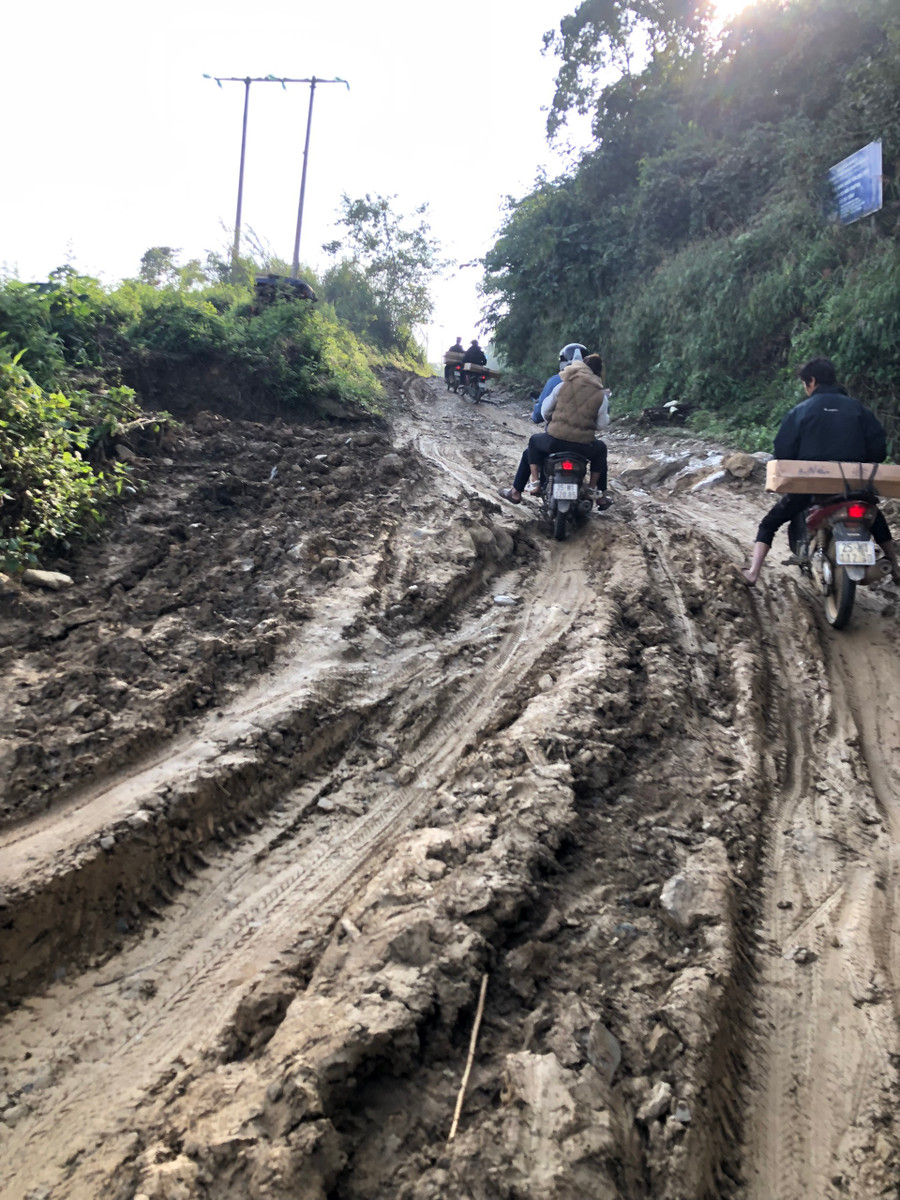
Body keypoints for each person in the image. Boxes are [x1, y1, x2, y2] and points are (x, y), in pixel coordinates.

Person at [739, 357, 900, 586]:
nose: (806, 389)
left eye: (805, 384)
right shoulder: (859, 410)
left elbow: (783, 452)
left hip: (811, 486)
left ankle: (753, 572)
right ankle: (895, 566)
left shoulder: (800, 412)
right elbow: (878, 451)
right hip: (854, 487)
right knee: (875, 517)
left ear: (812, 381)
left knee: (769, 523)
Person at [499, 351, 612, 509]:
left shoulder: (561, 385)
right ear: (599, 373)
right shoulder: (601, 396)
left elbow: (545, 412)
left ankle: (530, 485)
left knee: (533, 442)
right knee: (601, 449)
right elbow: (601, 425)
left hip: (554, 442)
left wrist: (554, 421)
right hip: (583, 447)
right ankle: (593, 491)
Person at [530, 342, 588, 423]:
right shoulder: (595, 382)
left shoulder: (555, 381)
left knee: (536, 436)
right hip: (586, 434)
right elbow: (604, 411)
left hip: (557, 432)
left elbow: (539, 413)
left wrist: (535, 416)